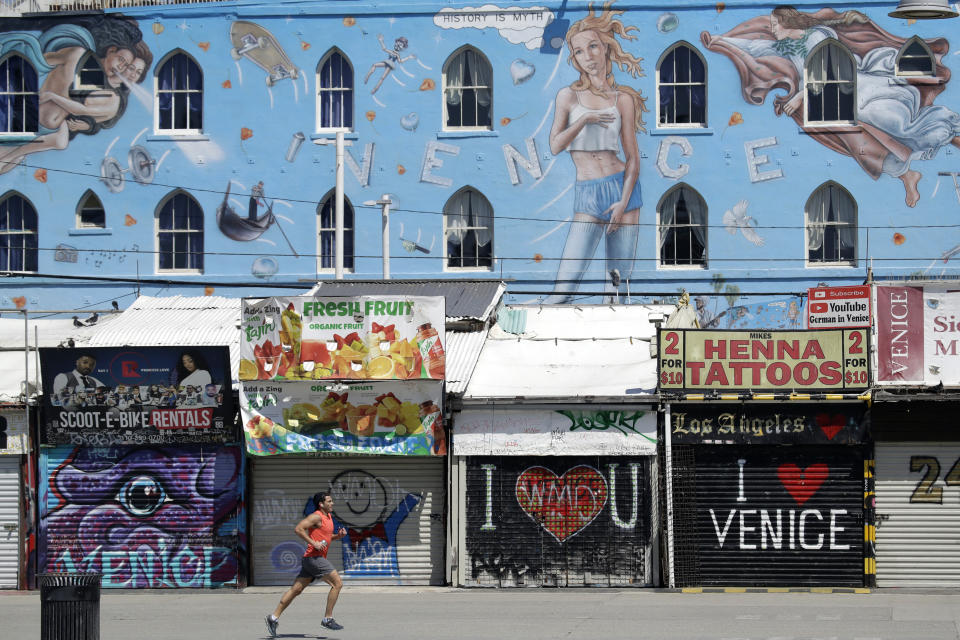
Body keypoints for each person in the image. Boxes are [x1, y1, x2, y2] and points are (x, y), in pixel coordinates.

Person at [702, 6, 960, 208]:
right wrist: (722, 40)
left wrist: (800, 96)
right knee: (868, 151)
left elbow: (826, 71)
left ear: (787, 22)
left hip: (855, 91)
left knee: (897, 124)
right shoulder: (786, 46)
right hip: (832, 106)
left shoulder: (818, 36)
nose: (771, 28)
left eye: (773, 24)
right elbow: (757, 46)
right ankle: (908, 176)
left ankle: (950, 132)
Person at [543, 2, 647, 304]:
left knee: (616, 292)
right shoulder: (568, 96)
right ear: (573, 59)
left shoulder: (623, 99)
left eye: (592, 47)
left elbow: (633, 159)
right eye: (578, 51)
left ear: (606, 49)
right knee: (562, 292)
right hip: (587, 191)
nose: (587, 56)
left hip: (623, 192)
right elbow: (555, 145)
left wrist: (623, 202)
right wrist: (584, 119)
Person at [0, 20, 151, 174]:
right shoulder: (77, 54)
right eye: (122, 60)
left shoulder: (108, 92)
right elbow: (39, 61)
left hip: (44, 130)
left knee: (15, 159)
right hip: (26, 121)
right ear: (111, 50)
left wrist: (85, 123)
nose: (122, 68)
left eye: (128, 67)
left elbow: (85, 112)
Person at [265, 492, 348, 636]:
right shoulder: (316, 516)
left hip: (311, 559)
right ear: (321, 504)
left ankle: (273, 618)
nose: (332, 503)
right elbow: (298, 529)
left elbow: (327, 538)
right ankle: (328, 619)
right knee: (337, 583)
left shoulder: (328, 517)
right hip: (314, 558)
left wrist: (338, 536)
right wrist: (313, 543)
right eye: (329, 501)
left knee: (296, 590)